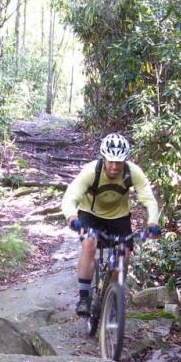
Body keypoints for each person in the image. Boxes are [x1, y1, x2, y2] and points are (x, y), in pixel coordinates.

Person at [61, 133, 161, 316]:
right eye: (111, 161)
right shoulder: (91, 172)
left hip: (119, 217)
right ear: (104, 158)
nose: (115, 166)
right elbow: (71, 196)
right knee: (89, 243)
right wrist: (71, 217)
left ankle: (112, 296)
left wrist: (153, 222)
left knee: (124, 254)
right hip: (90, 214)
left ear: (125, 160)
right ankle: (84, 298)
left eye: (119, 162)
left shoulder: (132, 172)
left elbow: (149, 199)